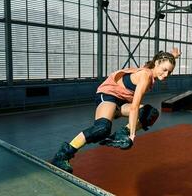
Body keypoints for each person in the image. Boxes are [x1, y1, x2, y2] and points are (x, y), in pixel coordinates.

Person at [51, 48, 181, 173]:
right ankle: (62, 155)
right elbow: (135, 107)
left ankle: (119, 134)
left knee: (151, 113)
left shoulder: (152, 67)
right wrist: (132, 135)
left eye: (169, 72)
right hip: (108, 95)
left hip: (122, 102)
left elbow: (162, 61)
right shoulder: (146, 76)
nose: (165, 75)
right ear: (157, 63)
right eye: (164, 70)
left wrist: (173, 56)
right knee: (101, 129)